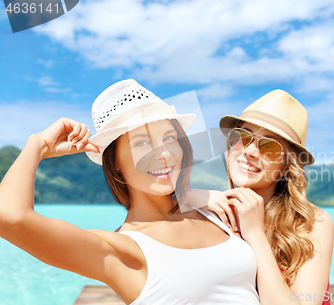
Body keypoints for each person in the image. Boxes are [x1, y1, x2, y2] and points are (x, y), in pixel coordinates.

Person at [0, 79, 260, 305]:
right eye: (141, 143)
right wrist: (38, 146)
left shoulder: (214, 211)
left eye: (170, 138)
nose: (163, 153)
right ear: (115, 162)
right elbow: (9, 218)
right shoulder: (120, 250)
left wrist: (194, 194)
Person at [195, 89, 334, 305]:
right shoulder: (209, 211)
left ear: (287, 167)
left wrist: (255, 234)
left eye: (269, 146)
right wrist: (188, 195)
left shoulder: (312, 223)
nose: (250, 151)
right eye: (242, 137)